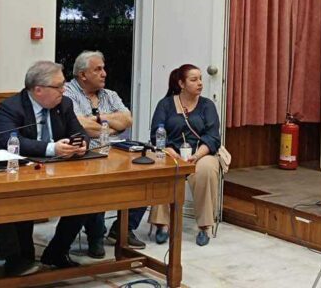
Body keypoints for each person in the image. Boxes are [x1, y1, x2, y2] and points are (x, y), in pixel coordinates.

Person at [0, 61, 89, 273]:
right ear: (38, 90)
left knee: (86, 196)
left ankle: (56, 252)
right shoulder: (11, 107)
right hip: (20, 175)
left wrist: (81, 144)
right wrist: (52, 148)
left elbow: (80, 132)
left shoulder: (64, 105)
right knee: (14, 202)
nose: (64, 90)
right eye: (59, 86)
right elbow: (9, 141)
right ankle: (18, 260)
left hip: (59, 171)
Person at [63, 51, 146, 256]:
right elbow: (79, 125)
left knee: (144, 176)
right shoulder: (67, 93)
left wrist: (98, 118)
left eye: (103, 68)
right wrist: (111, 126)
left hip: (114, 150)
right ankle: (96, 236)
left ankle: (123, 228)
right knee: (98, 183)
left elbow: (127, 120)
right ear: (83, 75)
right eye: (98, 69)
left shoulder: (110, 94)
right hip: (82, 152)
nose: (104, 73)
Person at [148, 64, 221, 247]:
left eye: (200, 79)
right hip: (171, 152)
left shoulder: (207, 105)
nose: (200, 83)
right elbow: (157, 133)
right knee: (161, 165)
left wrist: (197, 155)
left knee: (206, 170)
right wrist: (170, 151)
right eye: (194, 80)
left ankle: (204, 226)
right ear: (181, 83)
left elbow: (213, 137)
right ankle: (162, 224)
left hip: (201, 154)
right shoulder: (165, 104)